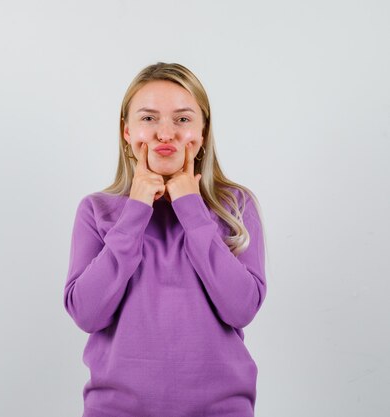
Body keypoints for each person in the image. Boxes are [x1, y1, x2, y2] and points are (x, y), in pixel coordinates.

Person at [63, 62, 268, 417]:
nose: (165, 133)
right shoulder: (97, 210)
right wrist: (136, 209)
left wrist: (191, 207)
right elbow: (87, 313)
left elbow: (242, 308)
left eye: (183, 119)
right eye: (148, 118)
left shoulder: (235, 206)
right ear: (127, 131)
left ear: (202, 133)